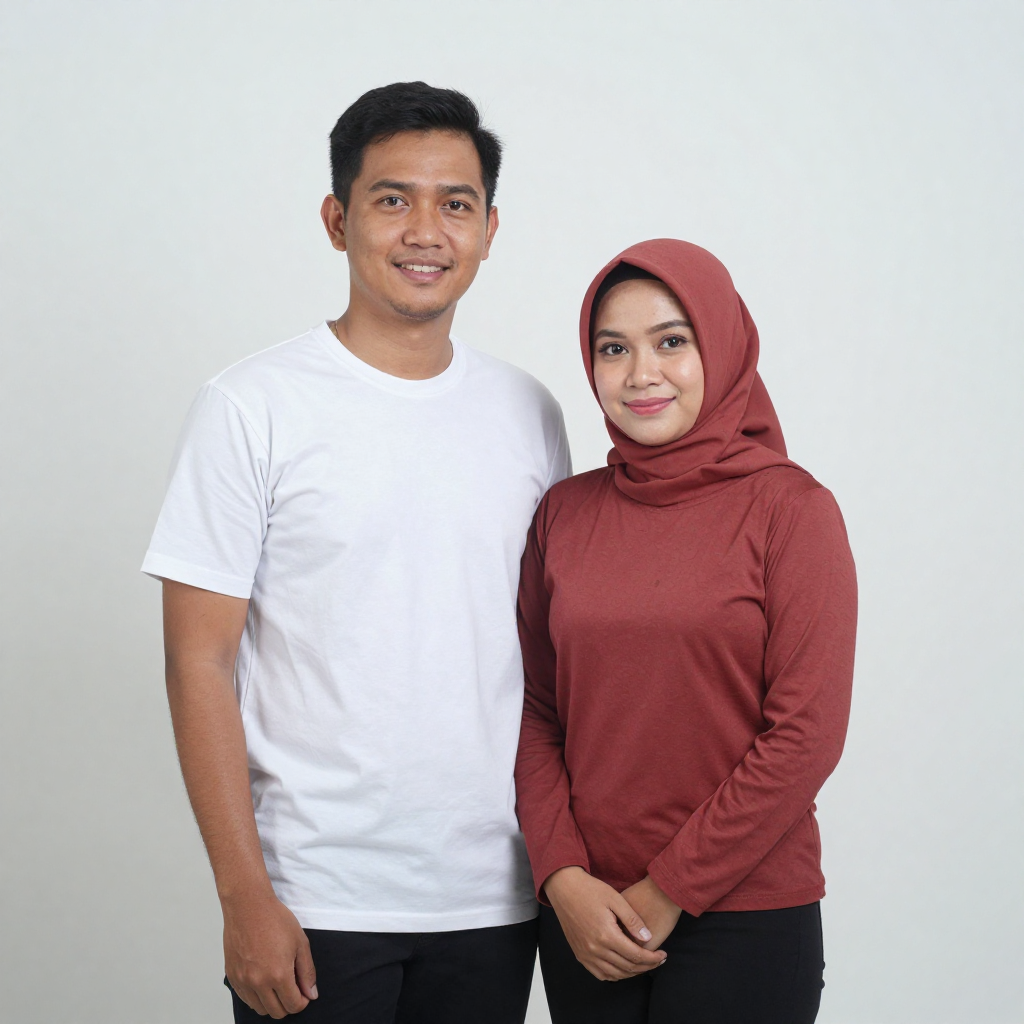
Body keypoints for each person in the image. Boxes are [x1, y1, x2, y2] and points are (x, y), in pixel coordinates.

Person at [142, 82, 569, 1022]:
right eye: (392, 199)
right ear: (338, 221)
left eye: (455, 204)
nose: (426, 231)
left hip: (495, 894)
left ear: (490, 229)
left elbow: (551, 658)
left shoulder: (530, 413)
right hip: (314, 896)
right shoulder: (249, 406)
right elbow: (197, 661)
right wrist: (244, 897)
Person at [514, 238, 857, 1024]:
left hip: (747, 914)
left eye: (671, 341)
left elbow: (805, 736)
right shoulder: (564, 514)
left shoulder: (791, 510)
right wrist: (561, 877)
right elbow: (534, 710)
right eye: (614, 349)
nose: (641, 374)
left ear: (722, 348)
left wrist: (669, 889)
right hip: (588, 916)